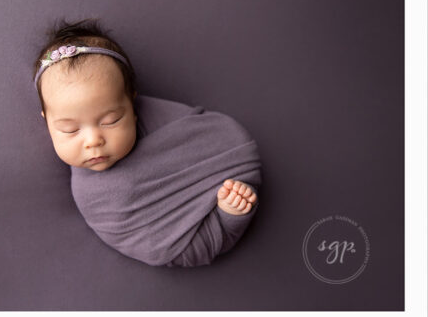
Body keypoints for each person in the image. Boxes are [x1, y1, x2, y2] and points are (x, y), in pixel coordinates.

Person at [34, 19, 260, 266]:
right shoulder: (91, 197)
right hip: (181, 246)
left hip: (224, 179)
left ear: (132, 105)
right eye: (70, 129)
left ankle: (231, 213)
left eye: (111, 120)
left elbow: (212, 138)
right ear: (47, 121)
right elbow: (148, 245)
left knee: (237, 194)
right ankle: (229, 218)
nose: (93, 141)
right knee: (197, 245)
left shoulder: (156, 116)